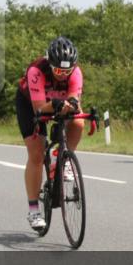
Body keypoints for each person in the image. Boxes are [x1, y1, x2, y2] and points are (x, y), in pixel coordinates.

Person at [16, 36, 84, 231]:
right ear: (50, 63)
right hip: (31, 105)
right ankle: (33, 210)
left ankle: (63, 160)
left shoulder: (76, 72)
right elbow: (39, 108)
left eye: (67, 71)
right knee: (36, 155)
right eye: (58, 71)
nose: (63, 75)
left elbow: (74, 99)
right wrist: (56, 104)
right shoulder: (36, 70)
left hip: (57, 102)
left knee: (78, 121)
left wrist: (71, 104)